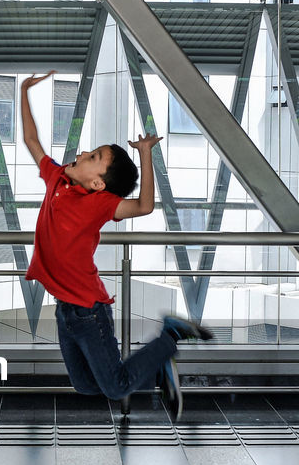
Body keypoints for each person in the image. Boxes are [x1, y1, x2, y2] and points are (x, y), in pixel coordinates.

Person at [19, 70, 212, 420]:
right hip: (65, 310)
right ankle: (158, 364)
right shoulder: (56, 177)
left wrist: (146, 154)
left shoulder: (100, 205)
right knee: (85, 386)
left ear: (96, 183)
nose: (83, 152)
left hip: (89, 312)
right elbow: (32, 141)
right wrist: (22, 92)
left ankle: (169, 338)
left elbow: (144, 206)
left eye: (93, 156)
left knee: (116, 386)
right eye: (91, 151)